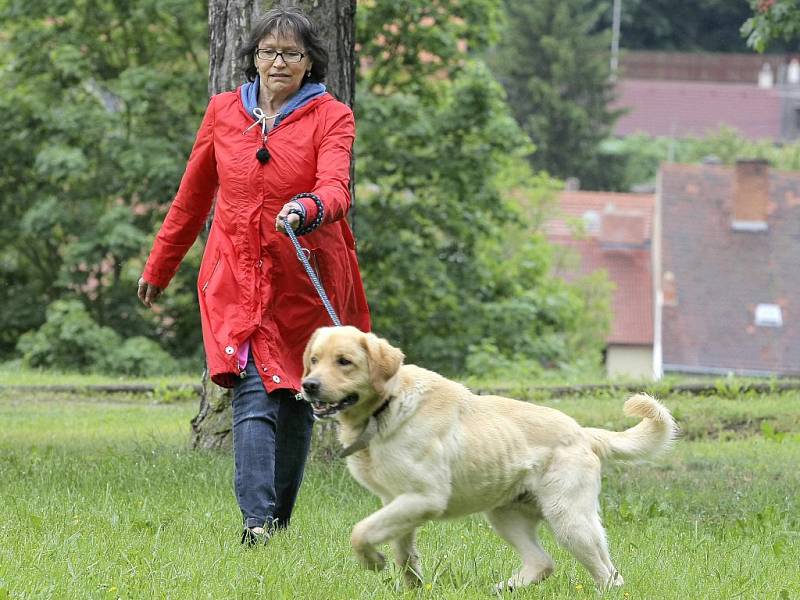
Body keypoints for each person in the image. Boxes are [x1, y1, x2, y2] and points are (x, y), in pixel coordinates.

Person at [137, 6, 370, 545]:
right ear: (254, 59)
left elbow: (338, 188)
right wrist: (160, 264)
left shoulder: (332, 116)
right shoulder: (223, 111)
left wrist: (308, 207)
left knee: (296, 398)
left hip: (305, 279)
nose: (279, 61)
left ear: (310, 61)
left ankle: (277, 523)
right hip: (238, 279)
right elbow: (192, 199)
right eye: (269, 52)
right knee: (252, 392)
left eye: (292, 53)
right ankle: (256, 523)